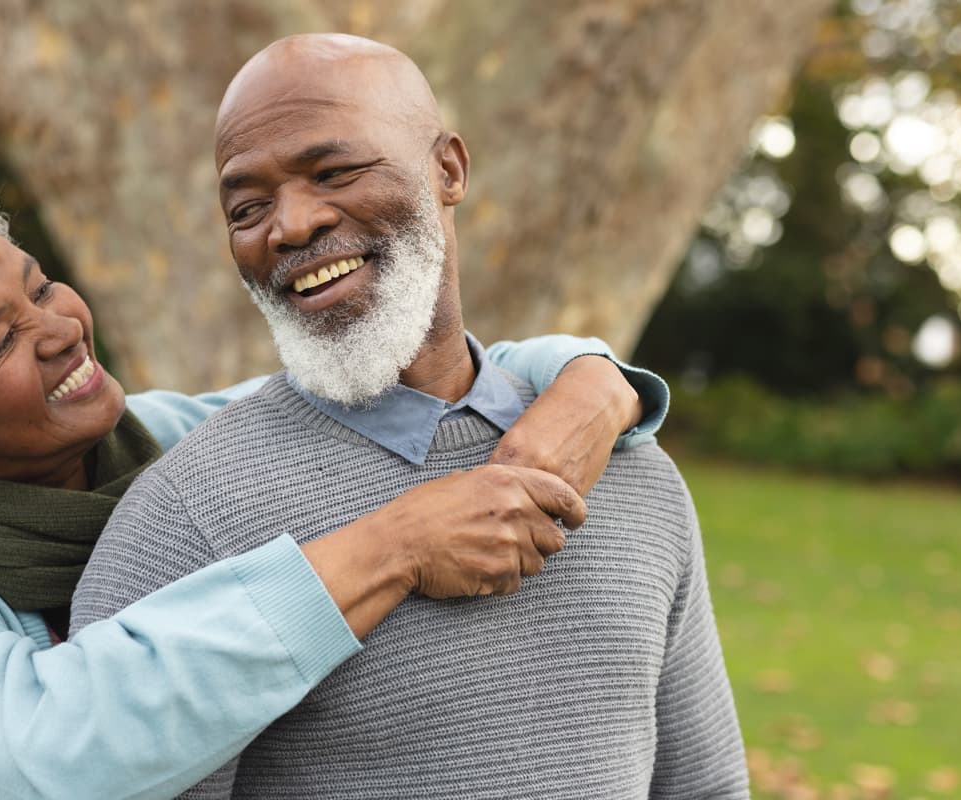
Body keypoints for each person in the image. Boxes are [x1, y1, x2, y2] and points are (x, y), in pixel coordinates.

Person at [0, 138, 670, 800]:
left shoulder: (173, 444)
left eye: (39, 283)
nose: (59, 328)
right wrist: (392, 547)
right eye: (0, 340)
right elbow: (33, 761)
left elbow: (422, 374)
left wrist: (594, 383)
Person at [72, 33, 747, 799]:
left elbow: (705, 786)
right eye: (248, 207)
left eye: (334, 171)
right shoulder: (183, 518)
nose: (290, 227)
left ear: (448, 169)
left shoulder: (635, 476)